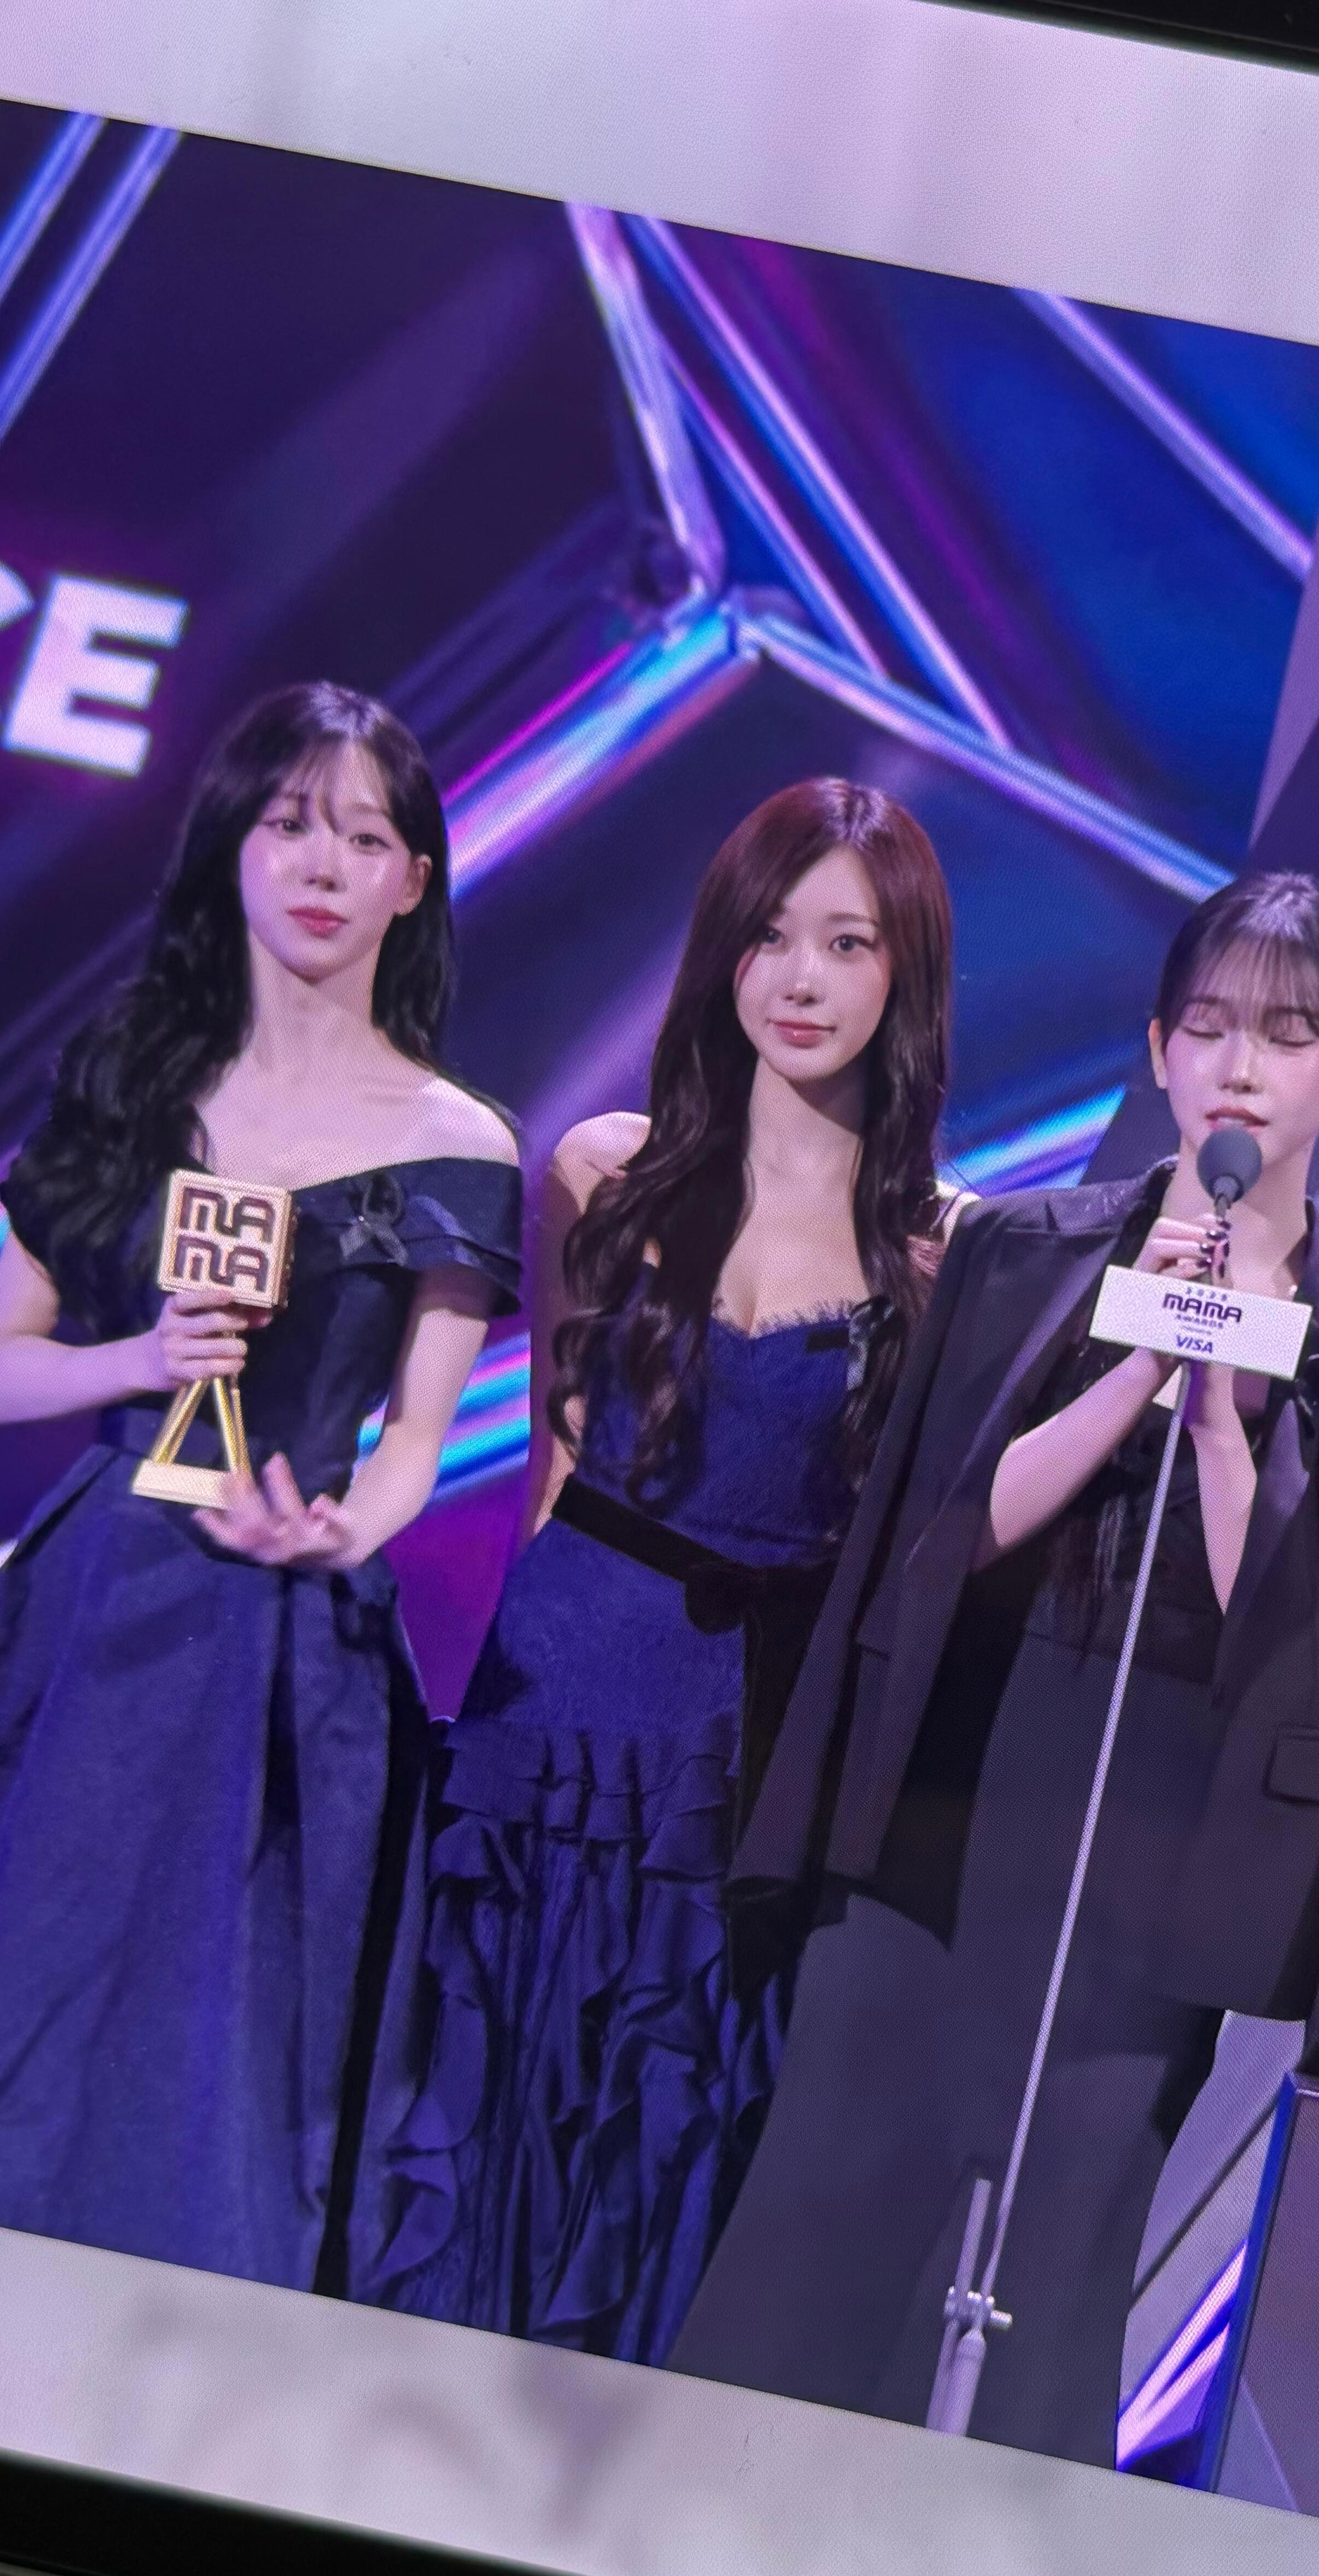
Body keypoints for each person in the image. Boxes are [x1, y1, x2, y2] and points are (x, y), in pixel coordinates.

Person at [669, 870, 1319, 2468]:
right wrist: (1135, 1371)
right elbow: (937, 1536)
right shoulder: (1025, 1251)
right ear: (1158, 1050)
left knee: (1054, 2263)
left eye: (1288, 1038)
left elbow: (1304, 1657)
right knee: (823, 2217)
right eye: (1209, 1029)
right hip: (955, 1793)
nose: (1240, 1070)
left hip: (1168, 1843)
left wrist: (1228, 1421)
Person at [0, 682, 521, 2289]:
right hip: (93, 1602)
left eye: (363, 836)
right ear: (233, 847)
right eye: (289, 823)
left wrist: (338, 1533)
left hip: (289, 1644)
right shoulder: (126, 1077)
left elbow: (414, 1441)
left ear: (414, 879)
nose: (321, 864)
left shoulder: (459, 1145)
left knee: (223, 2048)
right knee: (3, 2002)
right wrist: (144, 1356)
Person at [350, 777, 954, 2361]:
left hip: (739, 1739)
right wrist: (512, 1690)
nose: (802, 979)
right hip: (554, 1693)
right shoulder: (600, 1171)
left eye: (848, 943)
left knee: (665, 2117)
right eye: (772, 936)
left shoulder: (939, 1252)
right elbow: (554, 1452)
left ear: (904, 973)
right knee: (480, 2075)